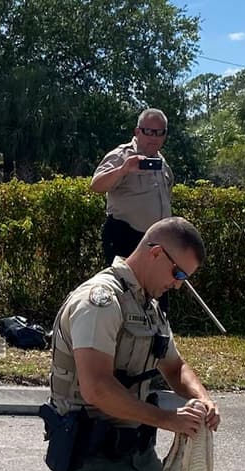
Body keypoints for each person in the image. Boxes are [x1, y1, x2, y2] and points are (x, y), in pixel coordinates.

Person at [0, 217, 218, 471]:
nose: (178, 284)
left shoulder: (150, 307)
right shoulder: (100, 302)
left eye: (184, 279)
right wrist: (168, 420)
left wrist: (202, 400)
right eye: (179, 274)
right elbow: (97, 389)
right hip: (89, 455)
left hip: (136, 454)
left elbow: (175, 367)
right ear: (156, 253)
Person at [90, 108, 176, 315]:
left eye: (160, 132)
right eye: (149, 131)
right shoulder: (122, 155)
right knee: (126, 298)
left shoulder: (162, 162)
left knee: (157, 295)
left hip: (157, 241)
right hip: (125, 236)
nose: (154, 137)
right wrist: (123, 170)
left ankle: (157, 342)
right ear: (137, 131)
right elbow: (96, 185)